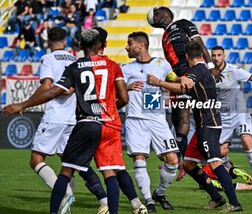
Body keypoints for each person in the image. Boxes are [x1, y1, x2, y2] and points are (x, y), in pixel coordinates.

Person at [3, 29, 128, 214]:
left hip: (62, 118)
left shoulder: (62, 62)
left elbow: (50, 89)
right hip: (89, 120)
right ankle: (105, 201)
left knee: (43, 162)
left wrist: (24, 104)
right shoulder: (98, 63)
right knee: (95, 167)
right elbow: (123, 97)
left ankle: (63, 196)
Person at [147, 41, 242, 212]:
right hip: (202, 125)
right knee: (189, 165)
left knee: (214, 163)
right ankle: (217, 198)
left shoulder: (197, 70)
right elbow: (187, 87)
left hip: (209, 124)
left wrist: (159, 82)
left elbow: (184, 87)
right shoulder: (202, 70)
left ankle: (234, 203)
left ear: (186, 57)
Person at [148, 6, 222, 180]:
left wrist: (210, 67)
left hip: (191, 74)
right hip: (178, 76)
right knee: (176, 117)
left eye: (157, 14)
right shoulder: (165, 36)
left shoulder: (182, 24)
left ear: (167, 14)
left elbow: (200, 45)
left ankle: (187, 161)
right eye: (154, 18)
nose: (156, 18)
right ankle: (186, 157)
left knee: (183, 116)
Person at [122, 31, 184, 213]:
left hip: (157, 120)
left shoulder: (162, 65)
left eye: (130, 43)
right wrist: (127, 86)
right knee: (139, 159)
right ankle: (148, 201)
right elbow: (113, 89)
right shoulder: (126, 69)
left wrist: (183, 78)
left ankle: (159, 192)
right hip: (135, 120)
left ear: (141, 45)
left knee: (173, 160)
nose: (126, 47)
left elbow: (177, 82)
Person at [93, 26, 148, 214]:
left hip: (91, 122)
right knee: (117, 166)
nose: (126, 47)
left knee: (75, 165)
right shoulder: (114, 66)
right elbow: (123, 98)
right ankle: (136, 205)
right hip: (112, 121)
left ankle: (106, 205)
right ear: (105, 44)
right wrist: (110, 108)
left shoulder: (82, 65)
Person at [210, 46, 252, 191]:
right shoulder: (210, 74)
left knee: (247, 142)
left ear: (224, 56)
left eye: (219, 55)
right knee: (220, 152)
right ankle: (230, 167)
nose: (216, 58)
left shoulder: (234, 71)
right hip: (223, 118)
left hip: (240, 114)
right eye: (213, 56)